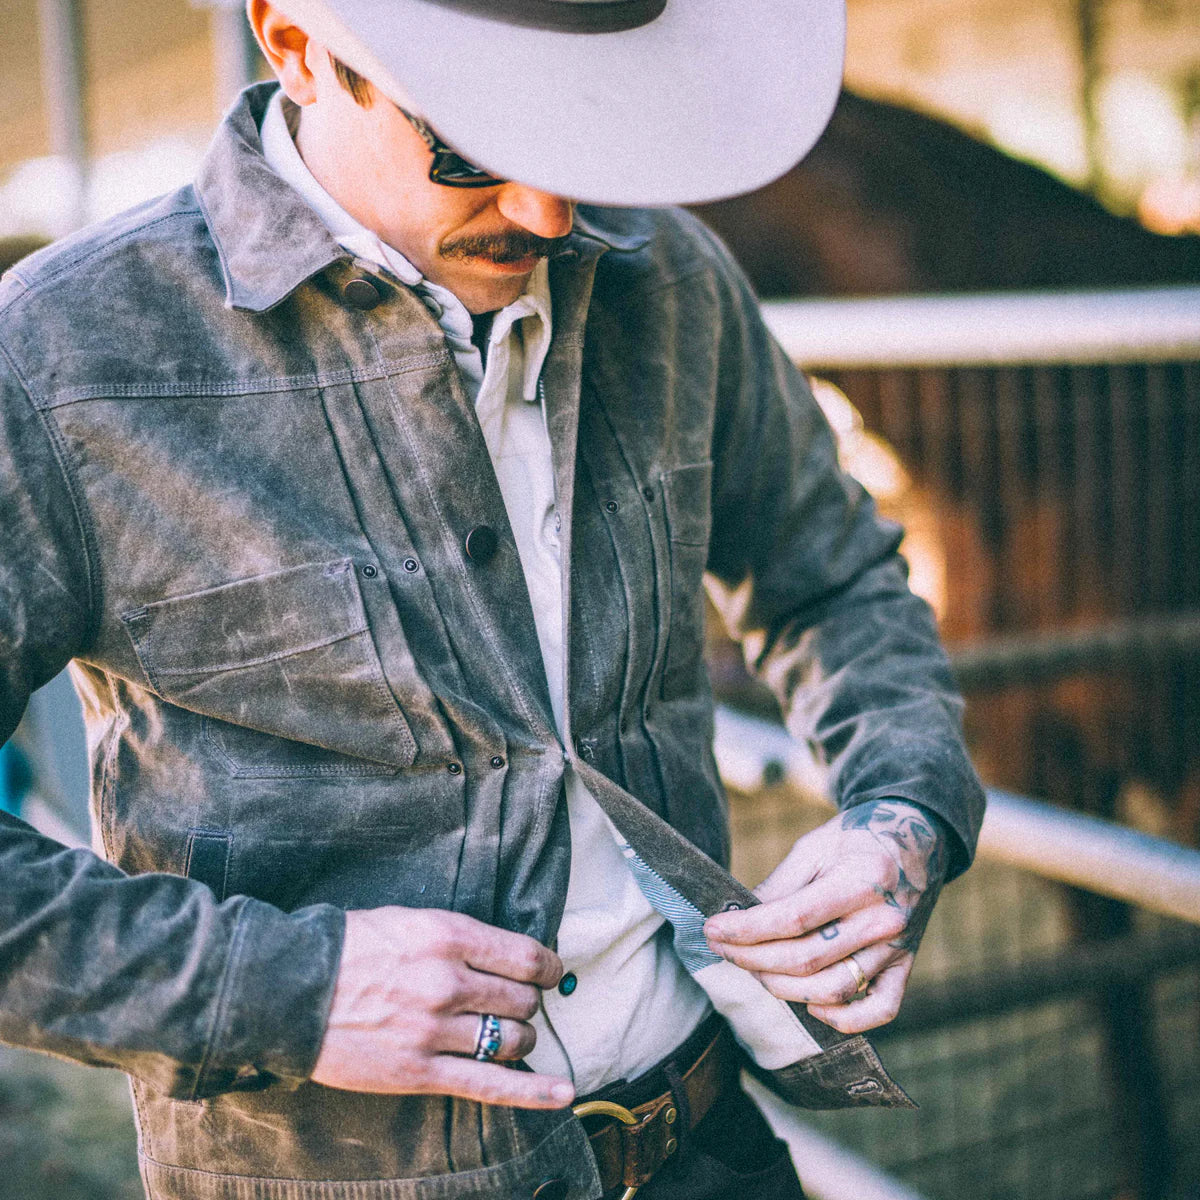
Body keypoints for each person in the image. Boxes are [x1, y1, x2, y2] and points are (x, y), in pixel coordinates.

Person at [0, 2, 985, 1197]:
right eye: (472, 139)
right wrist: (282, 993)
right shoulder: (59, 360)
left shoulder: (670, 278)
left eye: (584, 127)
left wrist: (901, 811)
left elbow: (829, 574)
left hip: (710, 1138)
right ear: (297, 44)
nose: (548, 211)